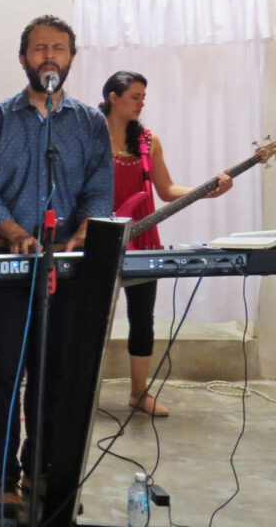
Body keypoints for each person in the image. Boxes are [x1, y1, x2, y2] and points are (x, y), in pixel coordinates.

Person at [0, 15, 113, 510]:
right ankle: (4, 476)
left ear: (71, 57)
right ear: (23, 58)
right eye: (38, 48)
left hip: (66, 269)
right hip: (7, 263)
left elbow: (98, 190)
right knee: (6, 374)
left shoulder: (90, 123)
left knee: (53, 375)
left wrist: (80, 234)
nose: (48, 56)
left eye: (58, 48)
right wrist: (18, 235)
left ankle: (39, 468)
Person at [100, 70, 233, 418]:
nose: (142, 103)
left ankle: (138, 392)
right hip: (101, 237)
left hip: (143, 238)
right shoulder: (89, 135)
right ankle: (81, 392)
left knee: (141, 317)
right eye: (135, 96)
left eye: (144, 97)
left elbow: (166, 190)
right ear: (113, 98)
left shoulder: (148, 141)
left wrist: (207, 190)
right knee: (93, 318)